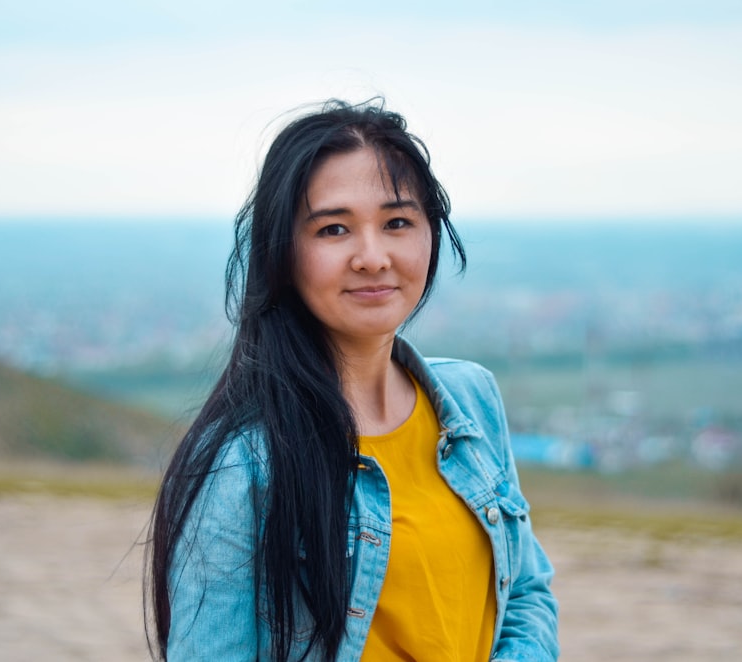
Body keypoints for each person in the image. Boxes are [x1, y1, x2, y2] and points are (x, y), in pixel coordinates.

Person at [146, 98, 559, 661]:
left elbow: (526, 594)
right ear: (283, 253)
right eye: (334, 229)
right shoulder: (242, 466)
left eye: (397, 223)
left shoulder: (470, 398)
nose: (372, 256)